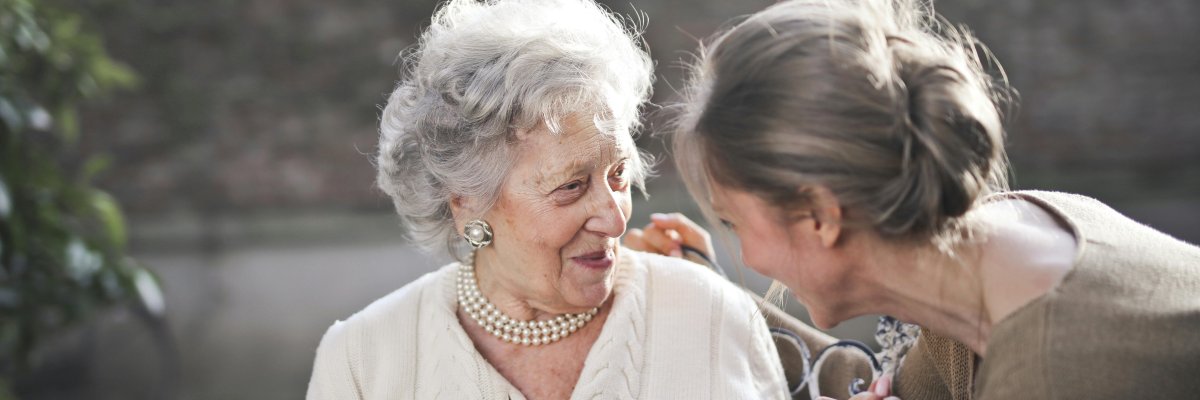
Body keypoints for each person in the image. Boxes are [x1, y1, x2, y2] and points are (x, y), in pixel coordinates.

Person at [631, 0, 1200, 398]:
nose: (748, 256)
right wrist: (713, 300)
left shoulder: (1061, 375)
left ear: (819, 217)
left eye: (733, 221)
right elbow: (885, 386)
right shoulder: (994, 249)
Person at [305, 0, 788, 398]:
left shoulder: (710, 315)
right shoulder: (362, 360)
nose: (616, 218)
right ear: (467, 201)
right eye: (571, 187)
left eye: (618, 174)